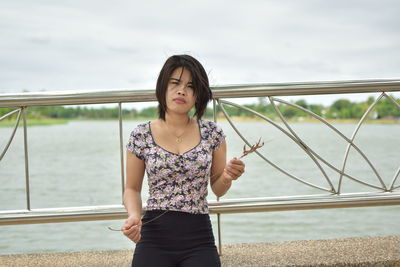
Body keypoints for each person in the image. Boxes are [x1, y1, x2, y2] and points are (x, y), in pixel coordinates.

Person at [122, 54, 245, 267]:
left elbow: (218, 189)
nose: (182, 90)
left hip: (198, 237)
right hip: (154, 236)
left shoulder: (212, 133)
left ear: (198, 95)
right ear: (163, 87)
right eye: (175, 83)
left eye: (191, 86)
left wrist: (227, 176)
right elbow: (131, 189)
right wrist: (134, 216)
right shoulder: (141, 134)